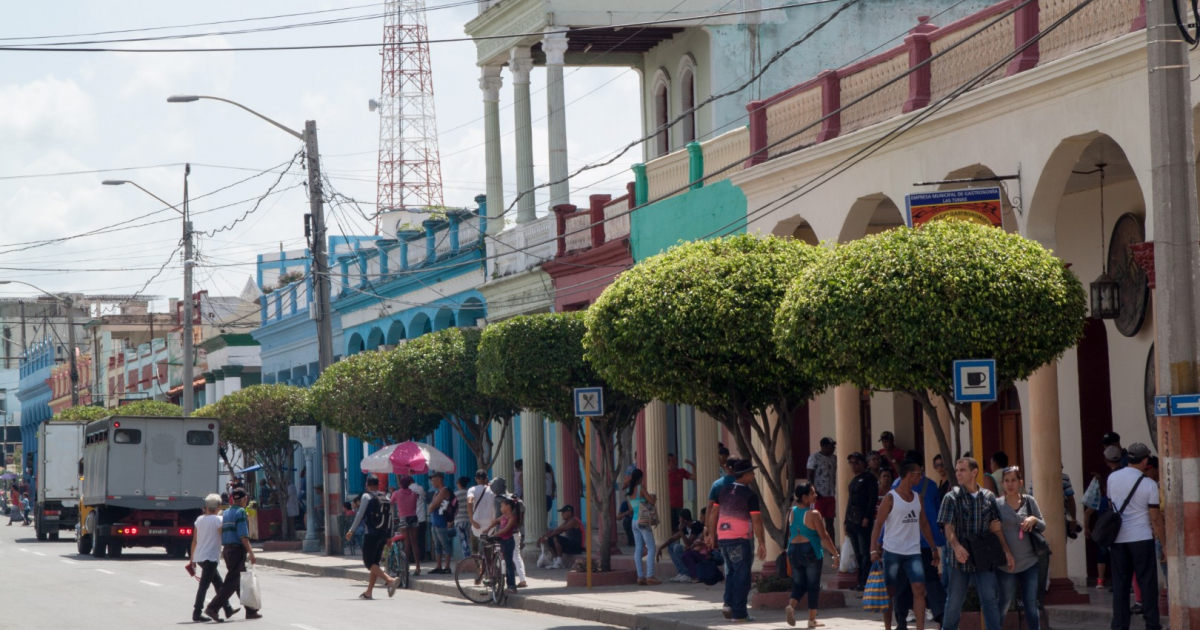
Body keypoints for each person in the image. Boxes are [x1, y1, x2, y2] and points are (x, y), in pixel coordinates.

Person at [938, 457, 1014, 630]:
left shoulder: (988, 497)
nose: (958, 473)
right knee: (955, 603)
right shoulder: (951, 498)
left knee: (989, 600)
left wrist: (1006, 551)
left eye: (962, 470)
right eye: (957, 470)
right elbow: (947, 527)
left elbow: (996, 527)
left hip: (983, 558)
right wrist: (957, 547)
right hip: (959, 558)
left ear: (974, 472)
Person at [871, 462, 939, 630]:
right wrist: (873, 549)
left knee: (919, 589)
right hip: (892, 552)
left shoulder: (918, 498)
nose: (921, 477)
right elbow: (878, 524)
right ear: (909, 474)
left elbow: (924, 524)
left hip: (913, 552)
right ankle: (887, 627)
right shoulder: (890, 497)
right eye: (918, 473)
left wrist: (933, 547)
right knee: (889, 591)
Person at [1106, 442, 1163, 630]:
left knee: (1121, 586)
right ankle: (1152, 625)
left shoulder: (1112, 478)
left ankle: (1120, 626)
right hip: (1142, 538)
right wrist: (1164, 543)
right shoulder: (1149, 484)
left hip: (1118, 540)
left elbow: (1110, 506)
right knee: (1147, 584)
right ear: (1145, 460)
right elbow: (1155, 518)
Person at [889, 452, 947, 629]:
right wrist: (936, 543)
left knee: (902, 584)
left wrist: (881, 543)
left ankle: (901, 621)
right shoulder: (930, 485)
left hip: (902, 544)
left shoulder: (896, 485)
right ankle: (941, 615)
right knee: (930, 580)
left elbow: (889, 517)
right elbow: (936, 515)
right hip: (924, 542)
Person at [710, 459, 767, 622]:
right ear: (747, 474)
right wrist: (761, 542)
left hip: (723, 538)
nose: (754, 475)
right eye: (752, 473)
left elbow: (714, 513)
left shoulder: (724, 491)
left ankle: (728, 604)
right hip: (740, 539)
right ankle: (739, 613)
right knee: (742, 576)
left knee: (732, 573)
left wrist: (712, 535)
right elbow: (756, 520)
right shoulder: (750, 495)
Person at [996, 466, 1046, 630]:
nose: (1010, 484)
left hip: (1030, 562)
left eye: (1013, 480)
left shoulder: (1030, 501)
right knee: (1004, 602)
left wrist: (1033, 520)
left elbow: (1043, 525)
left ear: (1020, 482)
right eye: (1007, 481)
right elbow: (993, 531)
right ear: (1003, 483)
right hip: (1006, 565)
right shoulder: (997, 505)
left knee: (1031, 603)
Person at [785, 482, 839, 628]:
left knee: (799, 584)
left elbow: (789, 533)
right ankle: (811, 619)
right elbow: (824, 536)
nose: (815, 495)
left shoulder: (791, 512)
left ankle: (791, 606)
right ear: (804, 497)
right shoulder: (813, 513)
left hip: (793, 550)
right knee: (813, 586)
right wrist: (835, 553)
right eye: (812, 493)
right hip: (810, 550)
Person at [203, 489, 262, 621]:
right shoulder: (240, 512)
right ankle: (213, 607)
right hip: (237, 550)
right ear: (244, 499)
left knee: (239, 581)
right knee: (231, 583)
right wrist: (251, 552)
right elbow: (243, 536)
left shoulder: (227, 512)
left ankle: (251, 610)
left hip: (228, 551)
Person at [189, 493, 238, 623]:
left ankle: (227, 607)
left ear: (206, 506)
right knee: (204, 586)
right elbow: (224, 538)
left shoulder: (199, 520)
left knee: (218, 583)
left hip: (200, 557)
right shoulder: (218, 520)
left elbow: (194, 541)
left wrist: (192, 559)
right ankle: (197, 612)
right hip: (210, 557)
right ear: (219, 506)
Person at [345, 477, 397, 599]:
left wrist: (351, 530)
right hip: (383, 534)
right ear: (378, 485)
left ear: (367, 485)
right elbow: (390, 518)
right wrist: (389, 536)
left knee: (369, 563)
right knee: (375, 563)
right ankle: (369, 592)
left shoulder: (366, 497)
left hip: (371, 534)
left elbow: (360, 514)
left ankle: (389, 580)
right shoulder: (386, 497)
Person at [1084, 444, 1123, 589]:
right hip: (1117, 527)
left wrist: (1087, 528)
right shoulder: (1103, 499)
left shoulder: (1103, 499)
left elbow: (1088, 512)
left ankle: (1102, 580)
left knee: (1106, 554)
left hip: (1106, 529)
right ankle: (1108, 580)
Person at [845, 452, 878, 591]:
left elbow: (873, 498)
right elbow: (850, 501)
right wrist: (845, 521)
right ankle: (859, 580)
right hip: (852, 520)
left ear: (863, 463)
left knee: (865, 552)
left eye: (856, 462)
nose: (853, 465)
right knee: (857, 553)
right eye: (851, 462)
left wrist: (867, 517)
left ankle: (866, 580)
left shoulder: (869, 478)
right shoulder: (853, 481)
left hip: (863, 520)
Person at [626, 468, 660, 585]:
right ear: (640, 478)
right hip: (643, 521)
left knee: (638, 549)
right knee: (651, 548)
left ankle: (640, 576)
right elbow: (652, 501)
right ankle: (650, 575)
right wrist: (652, 497)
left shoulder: (629, 493)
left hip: (634, 521)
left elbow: (631, 509)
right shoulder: (641, 488)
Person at [657, 508, 703, 582]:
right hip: (691, 549)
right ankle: (682, 572)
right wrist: (660, 548)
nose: (679, 521)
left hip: (698, 550)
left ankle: (687, 574)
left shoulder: (695, 525)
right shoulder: (686, 527)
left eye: (680, 519)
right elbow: (672, 539)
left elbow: (688, 543)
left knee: (677, 548)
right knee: (671, 546)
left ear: (684, 520)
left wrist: (680, 529)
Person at [486, 496, 520, 595]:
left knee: (508, 564)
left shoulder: (512, 518)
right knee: (503, 563)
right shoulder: (504, 516)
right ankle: (503, 583)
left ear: (508, 506)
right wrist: (488, 529)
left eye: (502, 506)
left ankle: (512, 586)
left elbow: (506, 530)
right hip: (502, 541)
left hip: (508, 542)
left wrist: (494, 534)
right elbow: (496, 521)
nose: (500, 508)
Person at [391, 476, 423, 576]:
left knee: (406, 543)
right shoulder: (414, 494)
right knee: (415, 543)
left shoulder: (396, 493)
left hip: (403, 518)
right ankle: (418, 566)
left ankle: (406, 567)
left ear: (400, 484)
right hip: (414, 517)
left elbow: (390, 503)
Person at [806, 437, 837, 535]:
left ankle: (831, 548)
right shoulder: (814, 457)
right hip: (819, 496)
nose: (833, 448)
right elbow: (809, 476)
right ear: (824, 446)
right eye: (831, 446)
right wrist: (813, 491)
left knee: (830, 522)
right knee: (816, 521)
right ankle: (815, 546)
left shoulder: (834, 458)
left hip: (830, 494)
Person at [428, 473, 454, 575]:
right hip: (435, 522)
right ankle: (438, 566)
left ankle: (447, 567)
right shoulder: (437, 492)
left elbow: (432, 507)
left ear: (439, 480)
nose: (432, 483)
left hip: (441, 522)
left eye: (434, 481)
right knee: (437, 545)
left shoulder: (444, 491)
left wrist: (432, 506)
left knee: (445, 544)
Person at [468, 470, 497, 552]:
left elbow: (469, 502)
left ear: (476, 479)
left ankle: (478, 564)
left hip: (476, 523)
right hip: (490, 524)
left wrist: (471, 520)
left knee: (475, 549)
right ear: (487, 478)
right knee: (489, 548)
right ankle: (489, 563)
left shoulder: (472, 490)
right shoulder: (493, 490)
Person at [667, 453, 695, 531]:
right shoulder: (665, 473)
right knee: (671, 528)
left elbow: (694, 477)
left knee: (680, 527)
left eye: (676, 460)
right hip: (669, 505)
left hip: (679, 504)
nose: (675, 462)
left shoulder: (681, 471)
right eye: (672, 461)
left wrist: (693, 466)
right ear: (668, 463)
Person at [454, 476, 472, 558]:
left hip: (458, 520)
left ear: (459, 484)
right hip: (468, 519)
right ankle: (468, 556)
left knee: (462, 540)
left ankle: (466, 557)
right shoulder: (469, 493)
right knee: (467, 539)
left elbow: (453, 507)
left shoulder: (456, 494)